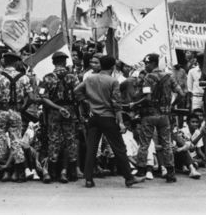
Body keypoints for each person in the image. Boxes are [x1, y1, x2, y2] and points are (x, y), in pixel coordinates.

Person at [74, 55, 145, 188]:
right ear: (113, 67)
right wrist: (121, 122)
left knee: (92, 149)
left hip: (94, 117)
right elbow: (116, 104)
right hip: (108, 118)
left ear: (100, 65)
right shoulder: (113, 81)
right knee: (119, 149)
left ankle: (88, 179)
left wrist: (86, 101)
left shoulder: (90, 78)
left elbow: (76, 90)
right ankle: (129, 178)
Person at [131, 53, 184, 183]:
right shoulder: (169, 76)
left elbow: (147, 97)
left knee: (144, 144)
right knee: (166, 143)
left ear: (153, 63)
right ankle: (171, 172)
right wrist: (171, 105)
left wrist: (135, 104)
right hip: (164, 115)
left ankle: (141, 170)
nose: (146, 66)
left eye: (147, 63)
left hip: (149, 115)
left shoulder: (149, 78)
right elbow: (181, 94)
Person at [0, 57, 35, 184]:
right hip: (16, 111)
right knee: (16, 140)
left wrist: (0, 100)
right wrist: (23, 107)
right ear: (16, 63)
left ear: (4, 62)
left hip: (1, 111)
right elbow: (31, 97)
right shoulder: (24, 77)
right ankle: (20, 174)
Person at [38, 51, 80, 183]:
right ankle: (71, 172)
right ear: (65, 62)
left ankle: (53, 172)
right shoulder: (73, 77)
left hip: (54, 111)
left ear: (53, 62)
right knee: (71, 140)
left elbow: (43, 98)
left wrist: (57, 108)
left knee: (54, 140)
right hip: (70, 110)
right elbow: (78, 95)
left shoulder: (46, 78)